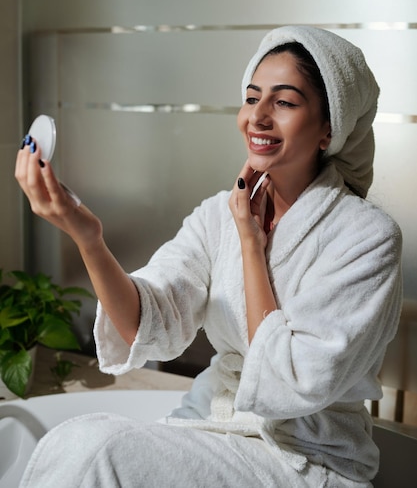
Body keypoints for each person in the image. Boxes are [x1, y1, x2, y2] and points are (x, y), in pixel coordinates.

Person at [16, 26, 402, 487]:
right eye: (251, 97)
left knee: (99, 450)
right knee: (73, 444)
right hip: (212, 420)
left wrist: (250, 246)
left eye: (284, 102)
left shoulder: (367, 237)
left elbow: (290, 382)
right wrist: (87, 237)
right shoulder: (219, 215)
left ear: (328, 129)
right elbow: (146, 321)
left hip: (305, 456)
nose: (257, 117)